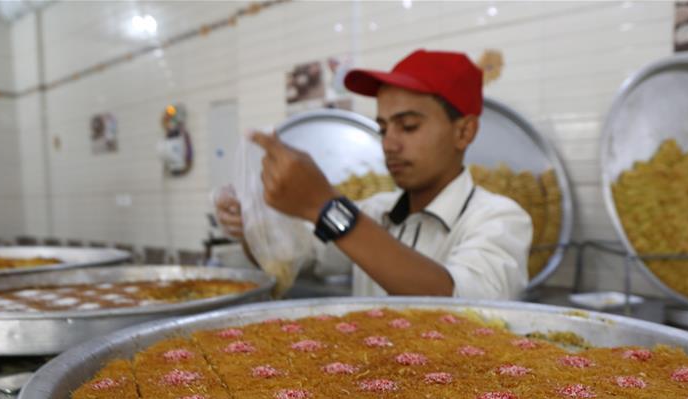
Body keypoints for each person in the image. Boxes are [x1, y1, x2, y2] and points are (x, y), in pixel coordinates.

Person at [216, 49, 532, 299]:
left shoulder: (499, 220)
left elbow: (461, 304)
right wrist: (252, 224)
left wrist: (326, 207)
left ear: (464, 132)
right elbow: (291, 259)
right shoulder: (376, 213)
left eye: (408, 126)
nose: (390, 144)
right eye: (383, 128)